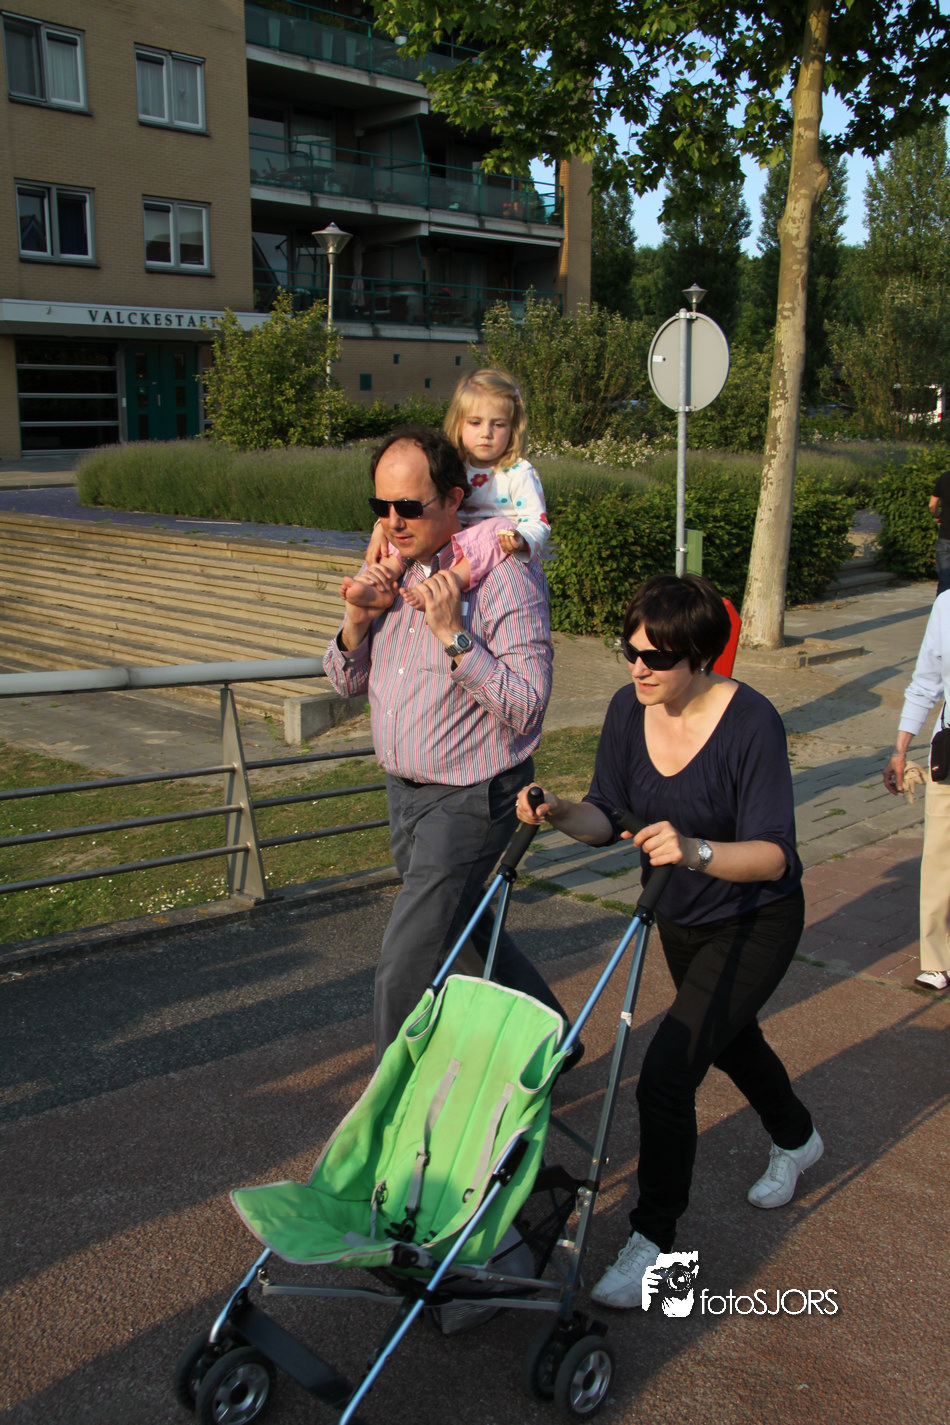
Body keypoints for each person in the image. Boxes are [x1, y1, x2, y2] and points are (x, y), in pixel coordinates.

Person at [515, 573, 824, 1310]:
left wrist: (693, 850)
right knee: (730, 1040)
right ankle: (798, 1137)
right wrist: (559, 810)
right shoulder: (629, 707)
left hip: (756, 917)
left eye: (656, 658)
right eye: (629, 651)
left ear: (700, 657)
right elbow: (607, 815)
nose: (638, 668)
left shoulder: (752, 721)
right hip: (680, 916)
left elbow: (775, 854)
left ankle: (653, 1243)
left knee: (666, 1073)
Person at [324, 424, 567, 1062]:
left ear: (455, 498)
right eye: (381, 506)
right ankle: (555, 1039)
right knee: (464, 925)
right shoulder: (392, 565)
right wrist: (357, 621)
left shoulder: (504, 575)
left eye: (409, 506)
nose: (393, 521)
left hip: (470, 796)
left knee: (404, 967)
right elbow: (345, 680)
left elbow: (528, 706)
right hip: (403, 793)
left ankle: (390, 1103)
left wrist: (453, 634)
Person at [342, 368, 549, 612]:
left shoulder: (518, 472)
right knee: (412, 522)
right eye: (475, 423)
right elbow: (406, 501)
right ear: (458, 424)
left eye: (499, 424)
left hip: (489, 547)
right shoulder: (454, 463)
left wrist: (520, 538)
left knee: (498, 527)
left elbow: (538, 521)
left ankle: (444, 583)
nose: (486, 433)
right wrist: (380, 528)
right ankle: (378, 582)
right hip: (452, 540)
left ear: (513, 428)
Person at [882, 589, 950, 990]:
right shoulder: (947, 605)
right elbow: (926, 682)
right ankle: (938, 960)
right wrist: (900, 749)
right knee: (940, 855)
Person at [928, 466, 950, 597]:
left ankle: (942, 608)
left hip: (945, 537)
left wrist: (938, 516)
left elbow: (932, 504)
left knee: (945, 582)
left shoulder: (945, 477)